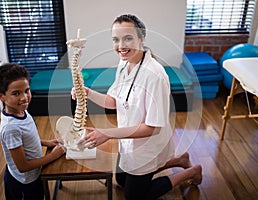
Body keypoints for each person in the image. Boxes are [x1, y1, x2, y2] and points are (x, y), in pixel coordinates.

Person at [71, 14, 202, 200]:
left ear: (141, 38)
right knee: (122, 182)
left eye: (128, 38)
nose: (121, 46)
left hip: (148, 143)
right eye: (116, 40)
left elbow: (151, 128)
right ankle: (180, 160)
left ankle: (191, 171)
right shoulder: (125, 63)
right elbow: (114, 101)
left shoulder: (155, 75)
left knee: (135, 197)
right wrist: (88, 93)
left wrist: (107, 133)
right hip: (128, 139)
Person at [0, 63, 66, 200]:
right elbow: (23, 166)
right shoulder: (11, 128)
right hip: (23, 183)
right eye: (16, 93)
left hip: (33, 175)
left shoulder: (21, 110)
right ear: (1, 96)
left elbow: (26, 138)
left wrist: (46, 142)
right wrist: (53, 156)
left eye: (26, 90)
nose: (24, 97)